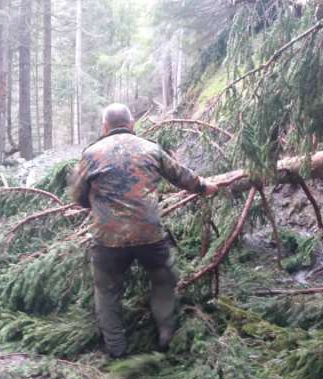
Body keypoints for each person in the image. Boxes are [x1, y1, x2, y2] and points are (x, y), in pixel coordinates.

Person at [68, 103, 218, 358]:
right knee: (163, 280)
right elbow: (182, 177)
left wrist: (97, 206)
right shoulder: (151, 149)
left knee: (107, 292)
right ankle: (166, 335)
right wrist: (206, 187)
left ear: (105, 127)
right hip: (149, 235)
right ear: (132, 124)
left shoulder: (91, 154)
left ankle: (116, 350)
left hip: (108, 239)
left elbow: (77, 196)